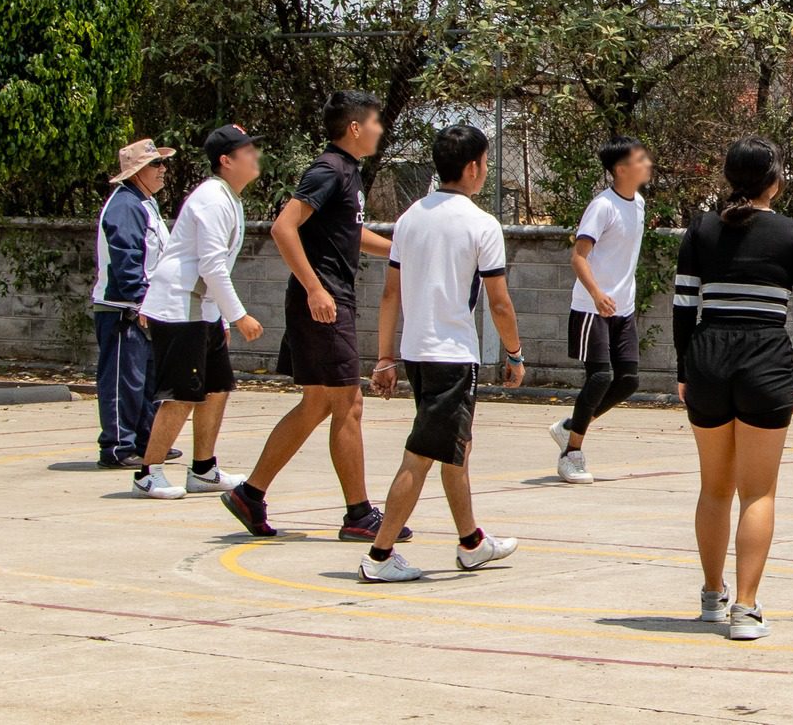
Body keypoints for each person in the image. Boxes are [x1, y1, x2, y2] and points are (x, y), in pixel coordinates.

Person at [222, 91, 402, 543]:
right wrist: (315, 288)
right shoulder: (328, 169)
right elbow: (284, 227)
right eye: (375, 122)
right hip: (323, 302)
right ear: (355, 128)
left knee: (319, 403)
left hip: (330, 299)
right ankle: (359, 515)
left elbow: (349, 231)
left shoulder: (348, 173)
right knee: (348, 404)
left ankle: (250, 493)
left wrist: (402, 249)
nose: (380, 129)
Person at [358, 124, 525, 583]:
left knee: (457, 447)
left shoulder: (411, 217)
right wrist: (514, 354)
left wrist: (385, 357)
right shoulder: (481, 224)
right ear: (472, 168)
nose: (485, 171)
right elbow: (499, 302)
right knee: (421, 454)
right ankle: (379, 556)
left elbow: (390, 294)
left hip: (416, 353)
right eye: (487, 163)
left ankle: (471, 542)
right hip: (452, 357)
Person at [675, 136, 793, 642]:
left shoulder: (701, 229)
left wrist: (683, 369)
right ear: (774, 180)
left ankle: (711, 597)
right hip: (766, 359)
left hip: (707, 357)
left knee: (713, 487)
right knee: (757, 490)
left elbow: (682, 305)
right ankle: (746, 608)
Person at [132, 124, 265, 499]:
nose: (255, 156)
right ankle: (148, 473)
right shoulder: (212, 197)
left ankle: (203, 470)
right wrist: (238, 315)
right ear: (226, 160)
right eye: (247, 150)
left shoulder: (228, 197)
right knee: (183, 394)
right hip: (179, 308)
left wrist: (220, 317)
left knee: (217, 388)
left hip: (202, 309)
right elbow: (211, 265)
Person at [550, 136, 653, 484]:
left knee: (628, 381)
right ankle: (571, 454)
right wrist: (596, 293)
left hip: (622, 309)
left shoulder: (638, 203)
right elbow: (579, 256)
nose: (646, 163)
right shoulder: (602, 206)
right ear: (621, 169)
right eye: (640, 159)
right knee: (599, 377)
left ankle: (570, 427)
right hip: (592, 307)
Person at [92, 138, 176, 469]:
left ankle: (147, 441)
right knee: (122, 380)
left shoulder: (144, 203)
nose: (163, 170)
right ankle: (117, 446)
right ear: (139, 171)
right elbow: (126, 258)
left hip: (145, 307)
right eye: (157, 165)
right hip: (123, 309)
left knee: (146, 381)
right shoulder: (125, 206)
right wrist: (139, 300)